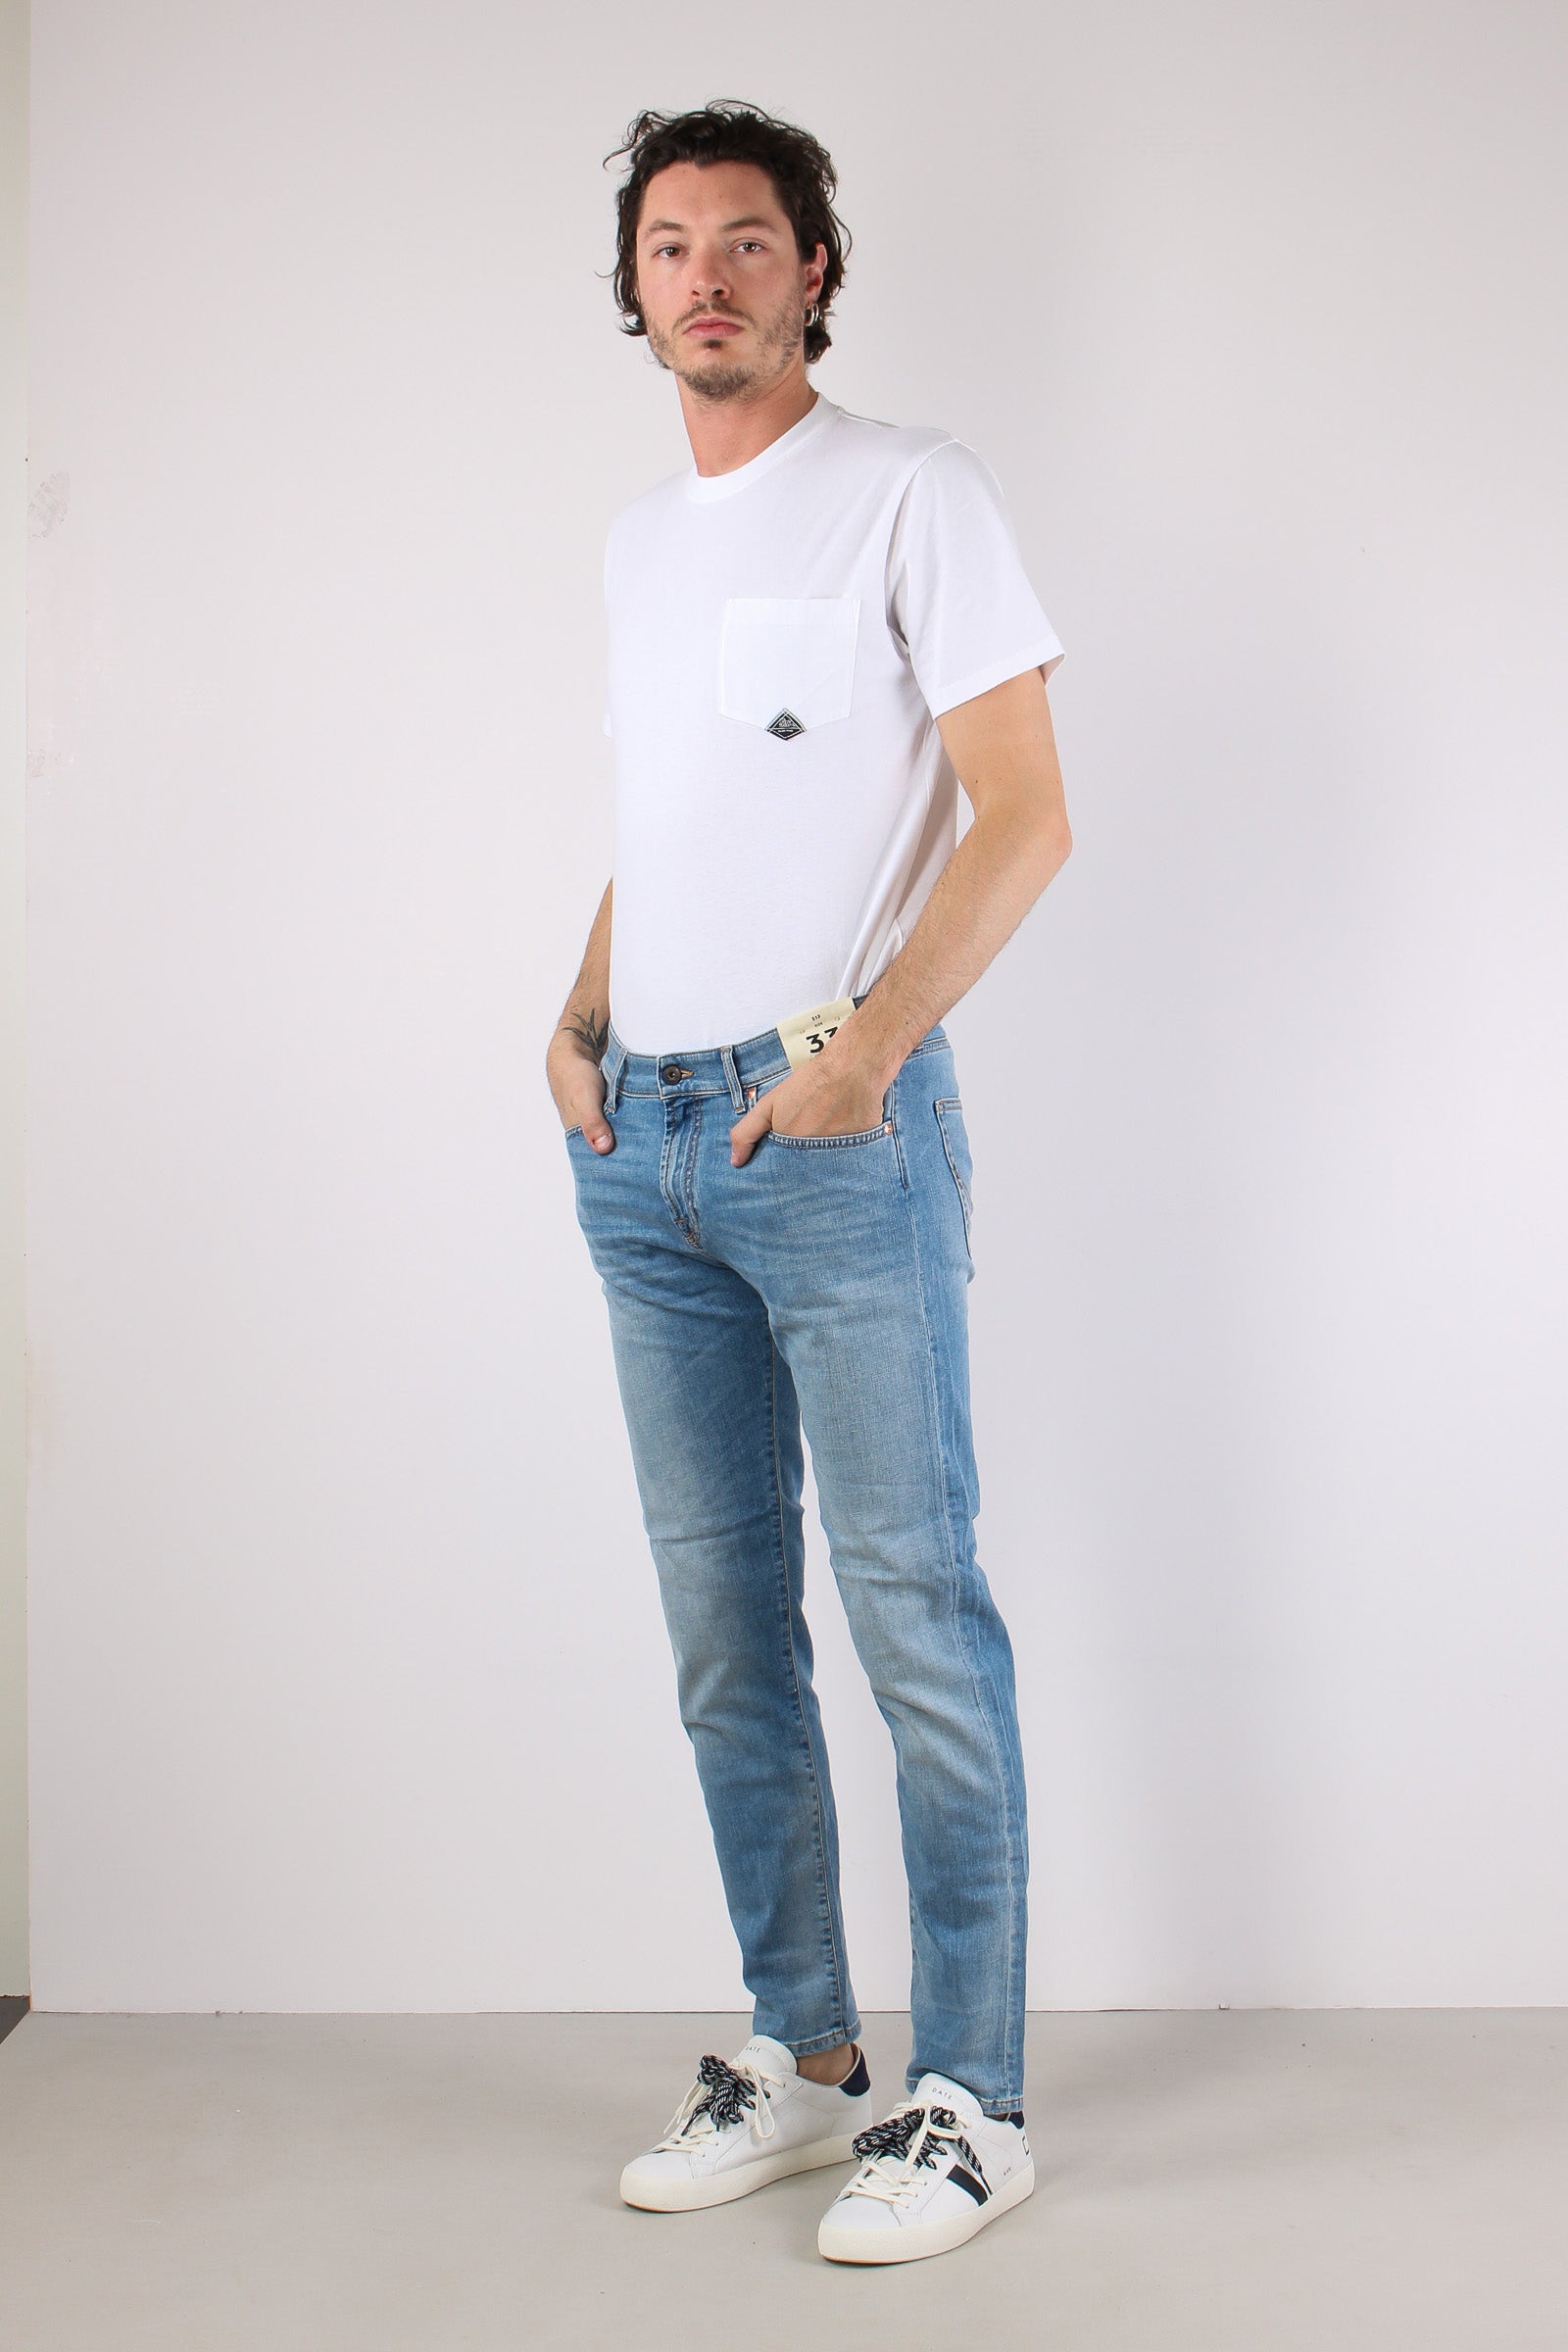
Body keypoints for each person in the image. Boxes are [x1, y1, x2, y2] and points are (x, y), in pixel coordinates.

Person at [547, 100, 1071, 2267]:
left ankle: (972, 2096)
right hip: (642, 1144)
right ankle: (807, 2050)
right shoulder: (633, 545)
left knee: (912, 1612)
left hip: (827, 1133)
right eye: (671, 244)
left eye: (748, 239)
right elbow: (670, 821)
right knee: (720, 1634)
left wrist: (863, 1061)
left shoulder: (913, 490)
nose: (708, 275)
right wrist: (574, 1016)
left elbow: (1024, 812)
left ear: (813, 271)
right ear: (634, 287)